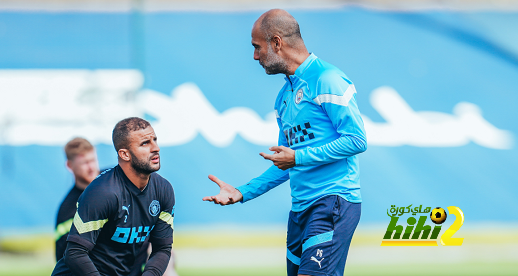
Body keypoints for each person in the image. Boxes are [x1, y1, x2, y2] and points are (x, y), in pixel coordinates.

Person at [203, 9, 367, 276]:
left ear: (277, 42)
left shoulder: (328, 79)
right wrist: (243, 192)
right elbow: (285, 163)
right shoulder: (283, 98)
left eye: (257, 47)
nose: (255, 56)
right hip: (300, 210)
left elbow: (356, 140)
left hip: (333, 201)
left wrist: (298, 158)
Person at [52, 117, 175, 276]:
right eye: (145, 143)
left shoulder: (163, 190)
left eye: (155, 140)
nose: (156, 148)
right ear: (124, 154)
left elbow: (162, 248)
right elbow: (74, 254)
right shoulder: (101, 192)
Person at [55, 138, 101, 262]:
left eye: (93, 160)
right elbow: (65, 258)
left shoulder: (118, 181)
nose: (91, 167)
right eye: (85, 163)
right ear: (70, 165)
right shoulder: (68, 210)